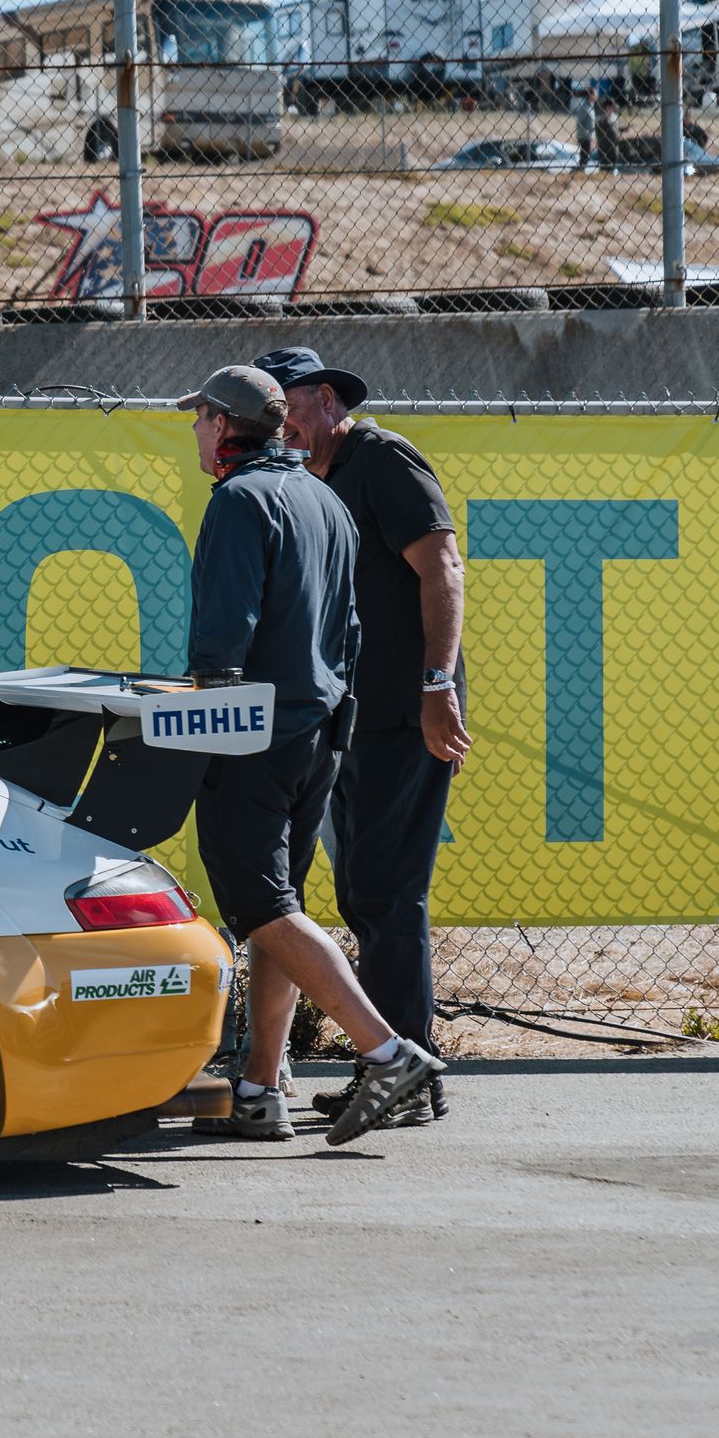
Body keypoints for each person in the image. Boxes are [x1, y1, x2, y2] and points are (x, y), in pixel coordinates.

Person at [176, 365, 444, 1145]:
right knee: (279, 909)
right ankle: (260, 1086)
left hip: (257, 733)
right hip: (321, 732)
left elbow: (224, 637)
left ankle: (390, 1052)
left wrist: (206, 713)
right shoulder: (323, 497)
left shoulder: (239, 498)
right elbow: (350, 632)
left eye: (198, 420)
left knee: (259, 907)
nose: (194, 431)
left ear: (224, 428)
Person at [258, 345, 468, 1127]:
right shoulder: (309, 478)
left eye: (285, 406)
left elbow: (442, 565)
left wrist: (437, 686)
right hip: (355, 715)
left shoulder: (379, 458)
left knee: (385, 890)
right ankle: (388, 1065)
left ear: (320, 399)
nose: (278, 424)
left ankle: (408, 1072)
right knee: (363, 892)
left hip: (408, 710)